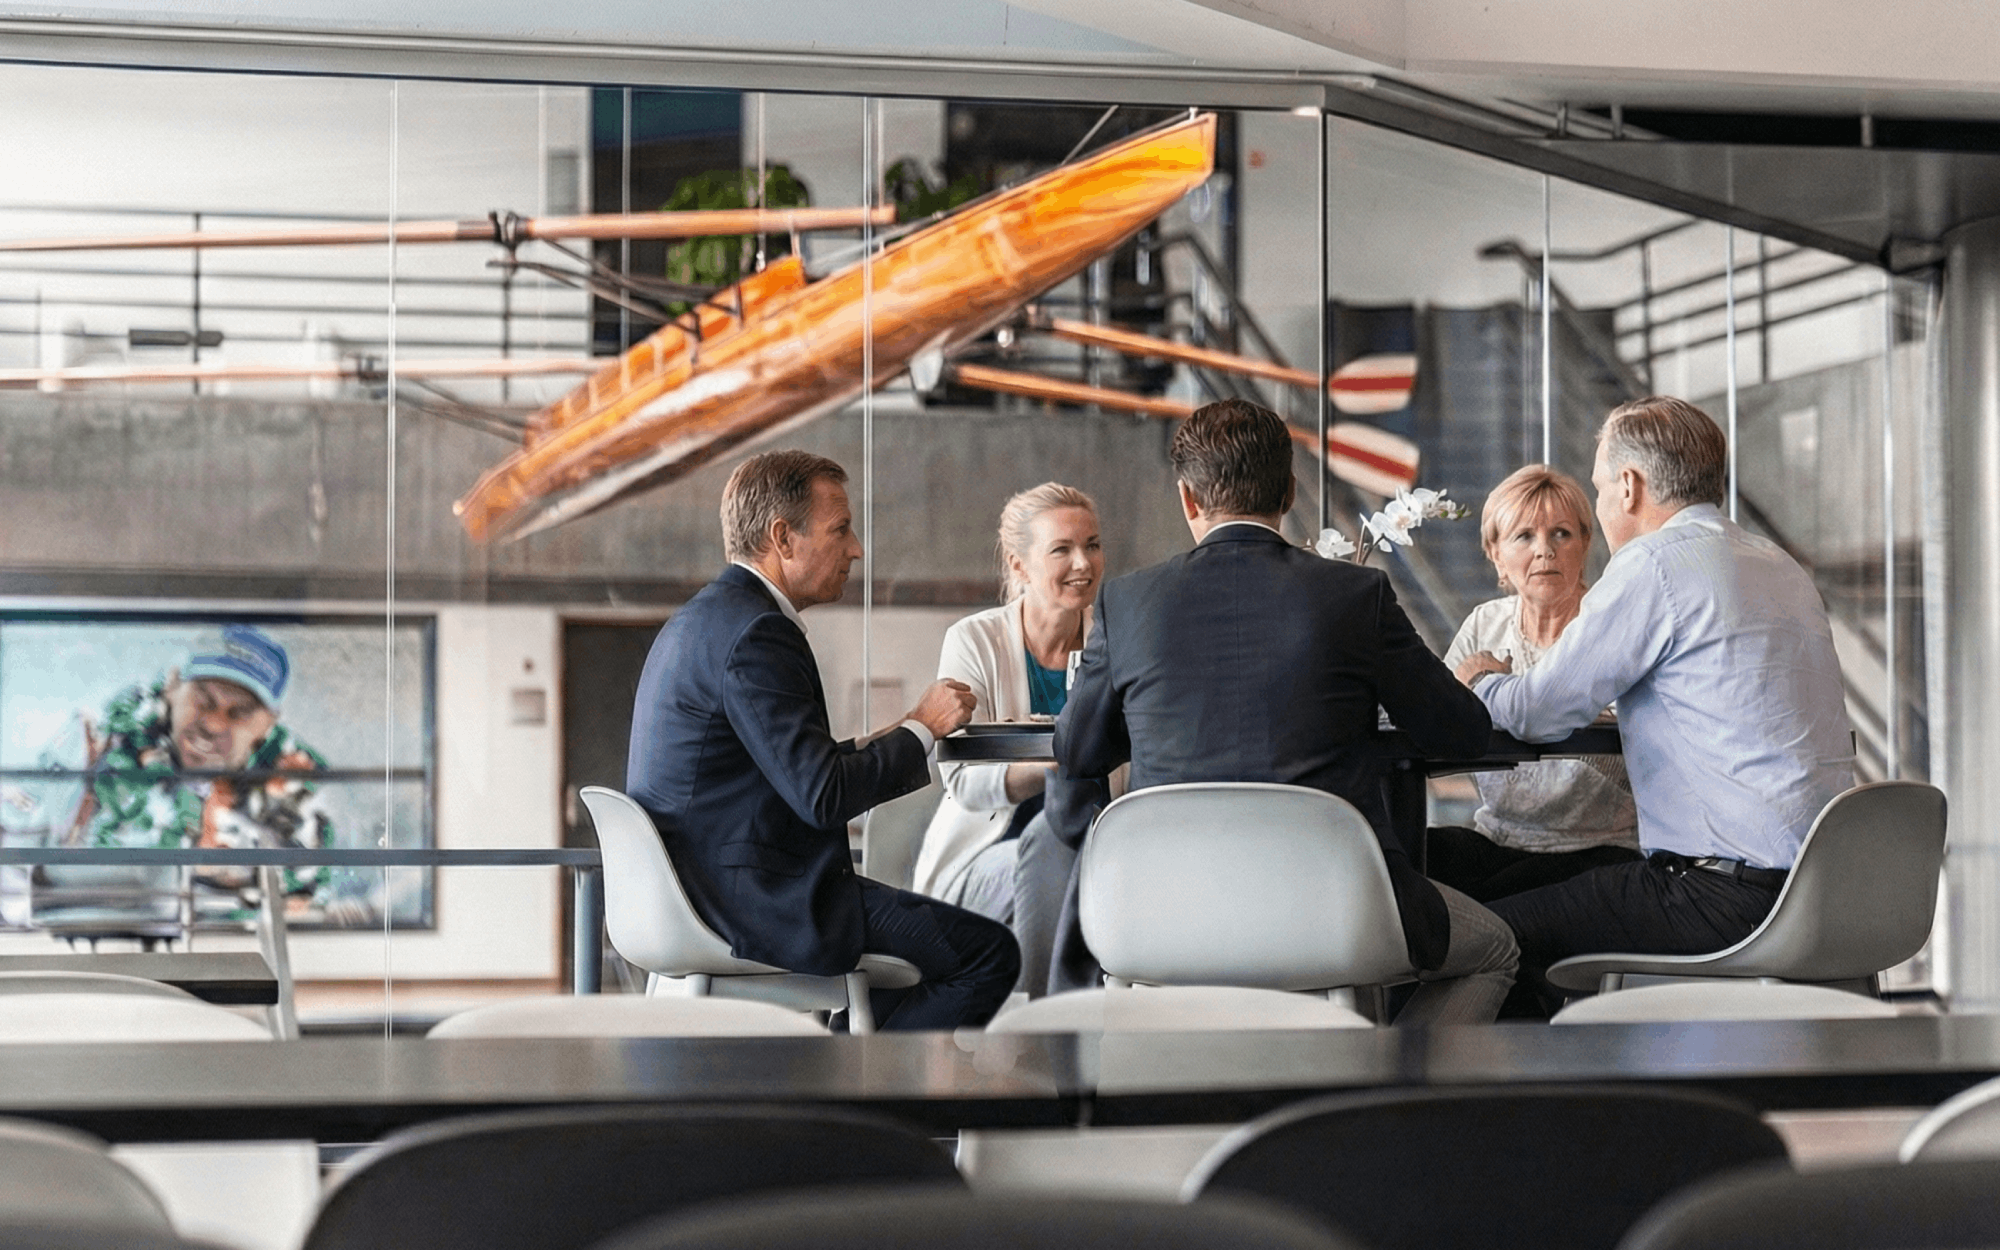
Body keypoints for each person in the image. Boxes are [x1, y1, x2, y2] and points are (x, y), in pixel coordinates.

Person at [1054, 398, 1519, 1026]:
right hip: (1331, 914)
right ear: (1291, 490)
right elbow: (1458, 732)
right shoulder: (1356, 595)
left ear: (1189, 499)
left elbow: (1077, 753)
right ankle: (1374, 1103)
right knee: (1495, 950)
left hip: (1163, 911)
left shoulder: (1129, 603)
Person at [1460, 396, 1855, 1008]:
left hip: (1720, 895)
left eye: (1596, 488)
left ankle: (1497, 1099)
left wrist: (1482, 680)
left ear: (1628, 485)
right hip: (1824, 889)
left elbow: (1539, 709)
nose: (1597, 504)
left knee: (1480, 936)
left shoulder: (1653, 563)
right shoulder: (1776, 563)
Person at [626, 449, 1020, 1031]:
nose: (856, 548)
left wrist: (895, 732)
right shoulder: (761, 632)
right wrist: (923, 729)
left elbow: (781, 768)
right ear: (783, 538)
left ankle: (850, 1064)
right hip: (756, 904)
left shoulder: (704, 620)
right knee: (990, 955)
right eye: (841, 529)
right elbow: (822, 796)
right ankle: (860, 1097)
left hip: (699, 894)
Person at [16, 625, 344, 922]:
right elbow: (14, 865)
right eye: (204, 700)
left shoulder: (294, 786)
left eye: (239, 713)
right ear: (173, 686)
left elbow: (307, 910)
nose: (214, 724)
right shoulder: (94, 746)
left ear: (268, 723)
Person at [1427, 464, 1641, 902]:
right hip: (1499, 838)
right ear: (1495, 552)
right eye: (1524, 536)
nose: (1545, 550)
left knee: (1496, 904)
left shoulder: (1610, 623)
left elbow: (1640, 766)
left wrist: (1493, 698)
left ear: (1585, 544)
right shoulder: (1485, 623)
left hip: (1598, 848)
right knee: (1407, 859)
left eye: (1562, 534)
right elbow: (1439, 727)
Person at [911, 482, 1103, 922]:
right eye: (1061, 549)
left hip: (1093, 844)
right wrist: (1052, 765)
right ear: (1020, 564)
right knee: (1053, 865)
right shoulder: (974, 640)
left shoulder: (1117, 637)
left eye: (1092, 545)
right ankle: (1046, 994)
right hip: (992, 851)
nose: (1083, 563)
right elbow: (962, 778)